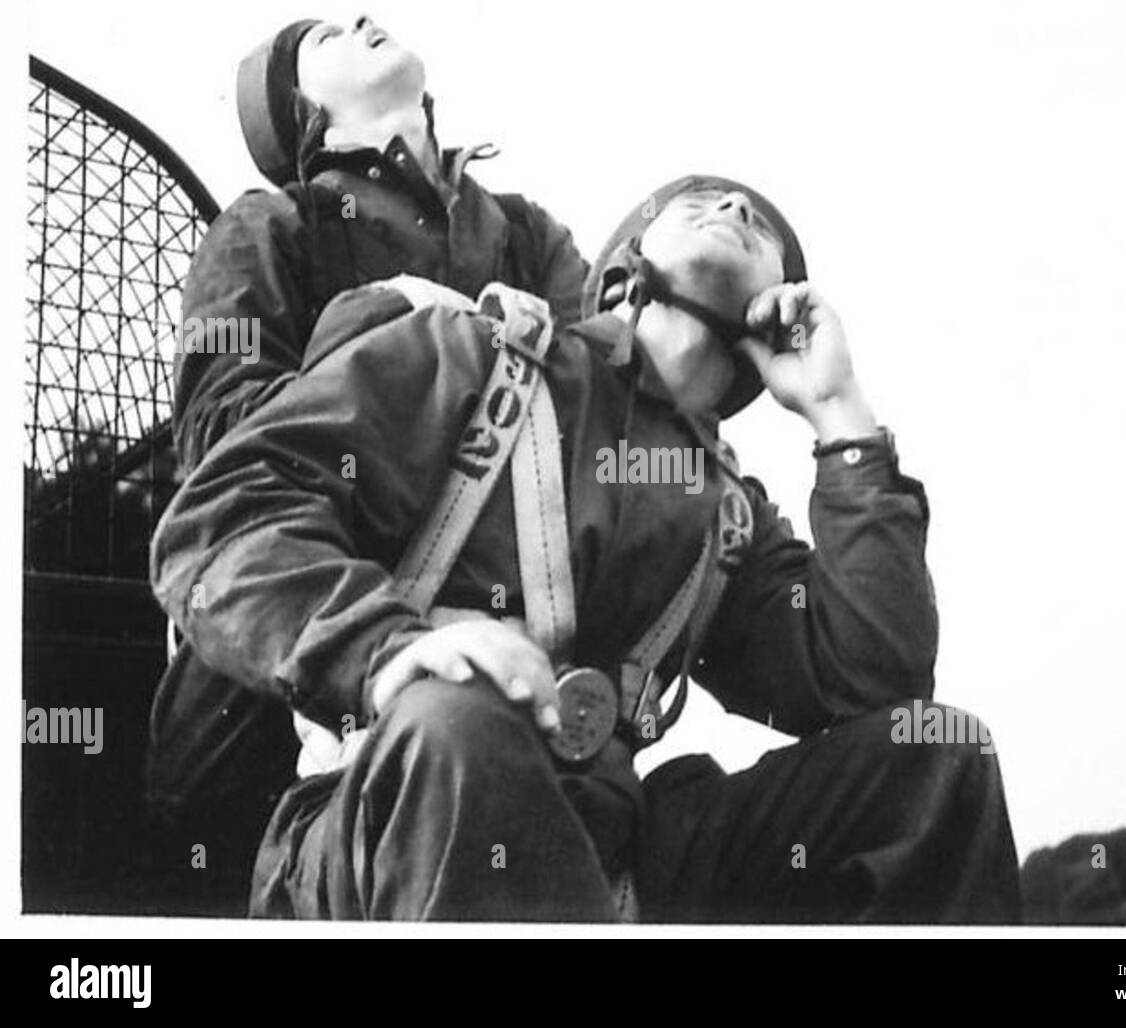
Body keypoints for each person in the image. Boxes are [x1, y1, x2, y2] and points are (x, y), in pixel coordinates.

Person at [151, 174, 1022, 922]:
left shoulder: (726, 516)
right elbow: (221, 518)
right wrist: (387, 652)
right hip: (381, 826)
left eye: (762, 227)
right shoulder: (467, 354)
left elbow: (875, 673)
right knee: (459, 715)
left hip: (617, 861)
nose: (731, 204)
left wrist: (842, 419)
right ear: (623, 263)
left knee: (937, 760)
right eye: (701, 200)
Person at [147, 16, 587, 906]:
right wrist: (412, 343)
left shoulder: (524, 235)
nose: (356, 16)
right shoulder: (270, 226)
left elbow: (603, 420)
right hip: (284, 715)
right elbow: (220, 441)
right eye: (319, 39)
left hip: (529, 688)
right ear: (301, 115)